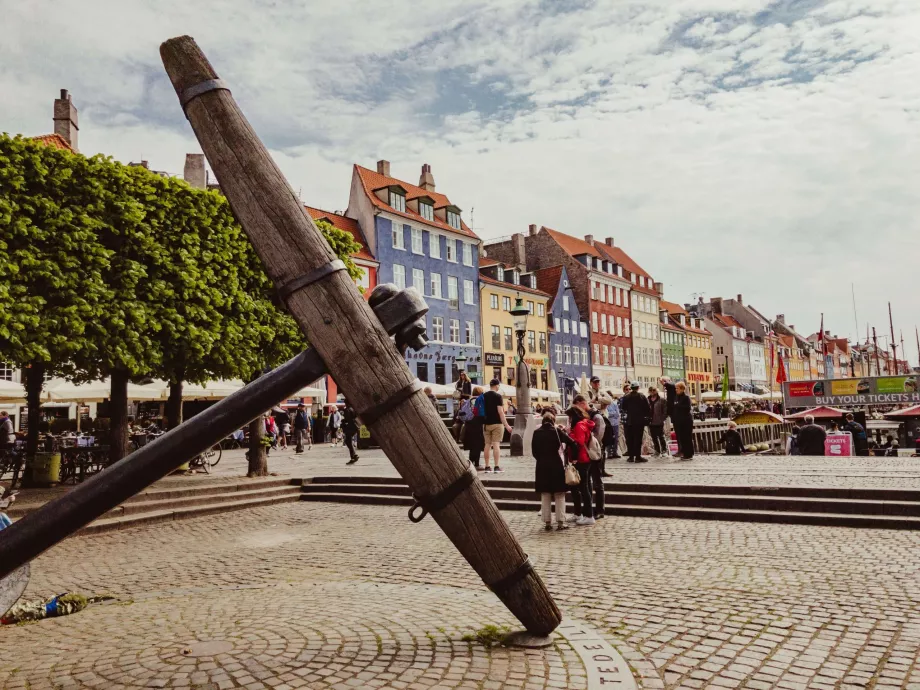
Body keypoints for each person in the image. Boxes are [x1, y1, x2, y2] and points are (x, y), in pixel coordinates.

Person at [532, 411, 574, 531]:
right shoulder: (557, 431)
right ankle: (561, 522)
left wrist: (541, 459)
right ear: (553, 421)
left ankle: (547, 523)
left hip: (541, 466)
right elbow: (571, 442)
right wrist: (572, 458)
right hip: (556, 464)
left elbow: (534, 451)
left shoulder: (536, 433)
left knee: (545, 494)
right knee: (559, 494)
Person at [566, 395, 596, 525]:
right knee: (582, 487)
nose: (569, 419)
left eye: (570, 417)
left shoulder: (579, 426)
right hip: (584, 459)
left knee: (583, 488)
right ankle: (580, 513)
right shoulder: (583, 424)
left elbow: (578, 443)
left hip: (581, 460)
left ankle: (589, 515)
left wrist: (574, 459)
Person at [482, 379, 513, 473]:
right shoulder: (498, 396)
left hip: (486, 424)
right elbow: (500, 412)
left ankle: (487, 467)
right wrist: (507, 425)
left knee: (487, 445)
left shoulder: (484, 396)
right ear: (497, 386)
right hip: (497, 424)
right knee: (496, 444)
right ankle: (496, 467)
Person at [620, 382, 650, 463]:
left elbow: (623, 407)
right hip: (639, 421)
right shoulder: (642, 396)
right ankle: (638, 456)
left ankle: (631, 456)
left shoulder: (626, 397)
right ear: (638, 387)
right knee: (638, 439)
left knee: (630, 439)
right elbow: (647, 408)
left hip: (629, 420)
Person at [587, 406, 607, 518]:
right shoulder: (587, 417)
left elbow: (599, 436)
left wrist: (590, 443)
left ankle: (600, 510)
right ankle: (590, 509)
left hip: (596, 453)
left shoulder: (597, 417)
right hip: (588, 453)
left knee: (597, 482)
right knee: (589, 482)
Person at [464, 386, 486, 469]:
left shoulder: (468, 401)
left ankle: (471, 461)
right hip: (477, 423)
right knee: (478, 444)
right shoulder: (479, 400)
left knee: (472, 444)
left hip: (469, 423)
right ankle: (476, 463)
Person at [672, 382, 695, 460]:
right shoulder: (676, 397)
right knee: (681, 438)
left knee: (687, 437)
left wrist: (677, 405)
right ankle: (684, 453)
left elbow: (687, 408)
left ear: (682, 389)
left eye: (677, 388)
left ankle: (689, 454)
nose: (676, 390)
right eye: (675, 388)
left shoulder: (686, 397)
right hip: (678, 421)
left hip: (686, 421)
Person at [647, 386, 668, 458]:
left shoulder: (662, 400)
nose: (652, 392)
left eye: (654, 390)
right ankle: (657, 451)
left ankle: (664, 450)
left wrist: (663, 418)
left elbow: (665, 410)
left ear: (656, 391)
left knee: (661, 436)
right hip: (650, 421)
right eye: (650, 390)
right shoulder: (647, 400)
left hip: (659, 421)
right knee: (653, 437)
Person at [341, 400, 360, 464]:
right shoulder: (353, 409)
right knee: (348, 441)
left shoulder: (347, 410)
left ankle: (354, 456)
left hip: (350, 427)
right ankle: (353, 456)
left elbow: (347, 419)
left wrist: (343, 421)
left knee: (348, 441)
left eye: (345, 403)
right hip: (355, 427)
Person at [604, 396, 621, 464]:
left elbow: (617, 414)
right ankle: (609, 453)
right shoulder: (605, 405)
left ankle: (615, 452)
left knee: (616, 439)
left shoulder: (614, 404)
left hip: (615, 423)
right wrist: (612, 413)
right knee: (609, 438)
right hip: (608, 423)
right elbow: (607, 414)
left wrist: (612, 414)